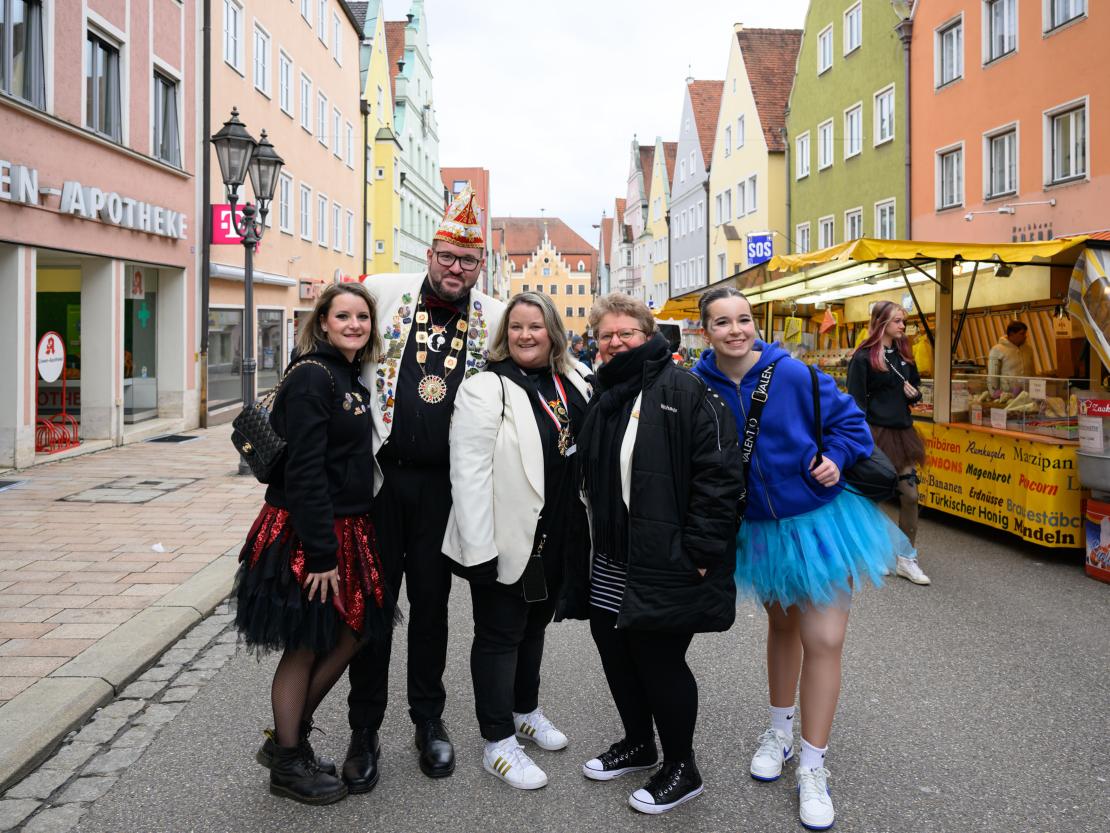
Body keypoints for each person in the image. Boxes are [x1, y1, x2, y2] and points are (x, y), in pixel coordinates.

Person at [692, 286, 913, 832]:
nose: (736, 330)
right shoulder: (697, 385)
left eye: (744, 319)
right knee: (783, 627)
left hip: (820, 521)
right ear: (706, 331)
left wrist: (835, 458)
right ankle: (779, 732)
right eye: (723, 322)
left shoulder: (792, 374)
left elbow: (852, 427)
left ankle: (813, 766)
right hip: (758, 530)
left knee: (825, 638)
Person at [344, 185, 506, 790]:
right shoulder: (384, 291)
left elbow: (541, 360)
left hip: (445, 490)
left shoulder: (495, 315)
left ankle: (428, 720)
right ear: (431, 254)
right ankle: (364, 729)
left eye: (468, 260)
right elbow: (336, 332)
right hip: (381, 482)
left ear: (480, 265)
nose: (456, 268)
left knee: (433, 609)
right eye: (448, 256)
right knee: (374, 607)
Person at [571, 293, 743, 815]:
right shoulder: (605, 393)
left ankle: (682, 768)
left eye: (626, 333)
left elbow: (720, 476)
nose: (615, 342)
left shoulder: (684, 390)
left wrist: (701, 552)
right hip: (613, 556)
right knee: (615, 649)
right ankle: (639, 743)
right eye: (606, 335)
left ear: (649, 336)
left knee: (659, 659)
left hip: (666, 557)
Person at [235, 283, 392, 805]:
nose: (354, 325)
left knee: (353, 630)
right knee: (306, 642)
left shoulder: (347, 374)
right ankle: (288, 761)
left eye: (362, 317)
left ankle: (288, 741)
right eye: (343, 316)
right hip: (308, 531)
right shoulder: (311, 376)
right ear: (323, 321)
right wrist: (321, 554)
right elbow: (304, 471)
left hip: (346, 525)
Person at [443, 292, 591, 790]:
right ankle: (497, 742)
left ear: (553, 332)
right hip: (506, 538)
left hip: (558, 535)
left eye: (535, 326)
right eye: (516, 327)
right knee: (499, 635)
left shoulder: (571, 380)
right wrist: (478, 549)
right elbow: (467, 475)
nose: (525, 335)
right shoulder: (486, 388)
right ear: (504, 334)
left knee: (534, 628)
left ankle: (524, 711)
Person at [846, 301, 931, 586]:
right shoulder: (863, 358)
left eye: (903, 321)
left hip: (903, 434)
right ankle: (874, 551)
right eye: (897, 321)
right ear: (881, 322)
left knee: (910, 496)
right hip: (874, 434)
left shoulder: (905, 356)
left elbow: (916, 390)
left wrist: (914, 395)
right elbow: (856, 402)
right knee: (872, 496)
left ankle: (906, 558)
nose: (902, 326)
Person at [987, 320, 1035, 393]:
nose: (1025, 336)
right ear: (1012, 334)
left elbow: (1032, 371)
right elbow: (993, 377)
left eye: (1025, 333)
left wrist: (1034, 391)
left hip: (1026, 393)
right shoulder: (997, 350)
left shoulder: (1028, 349)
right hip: (1007, 394)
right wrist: (994, 394)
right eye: (1022, 334)